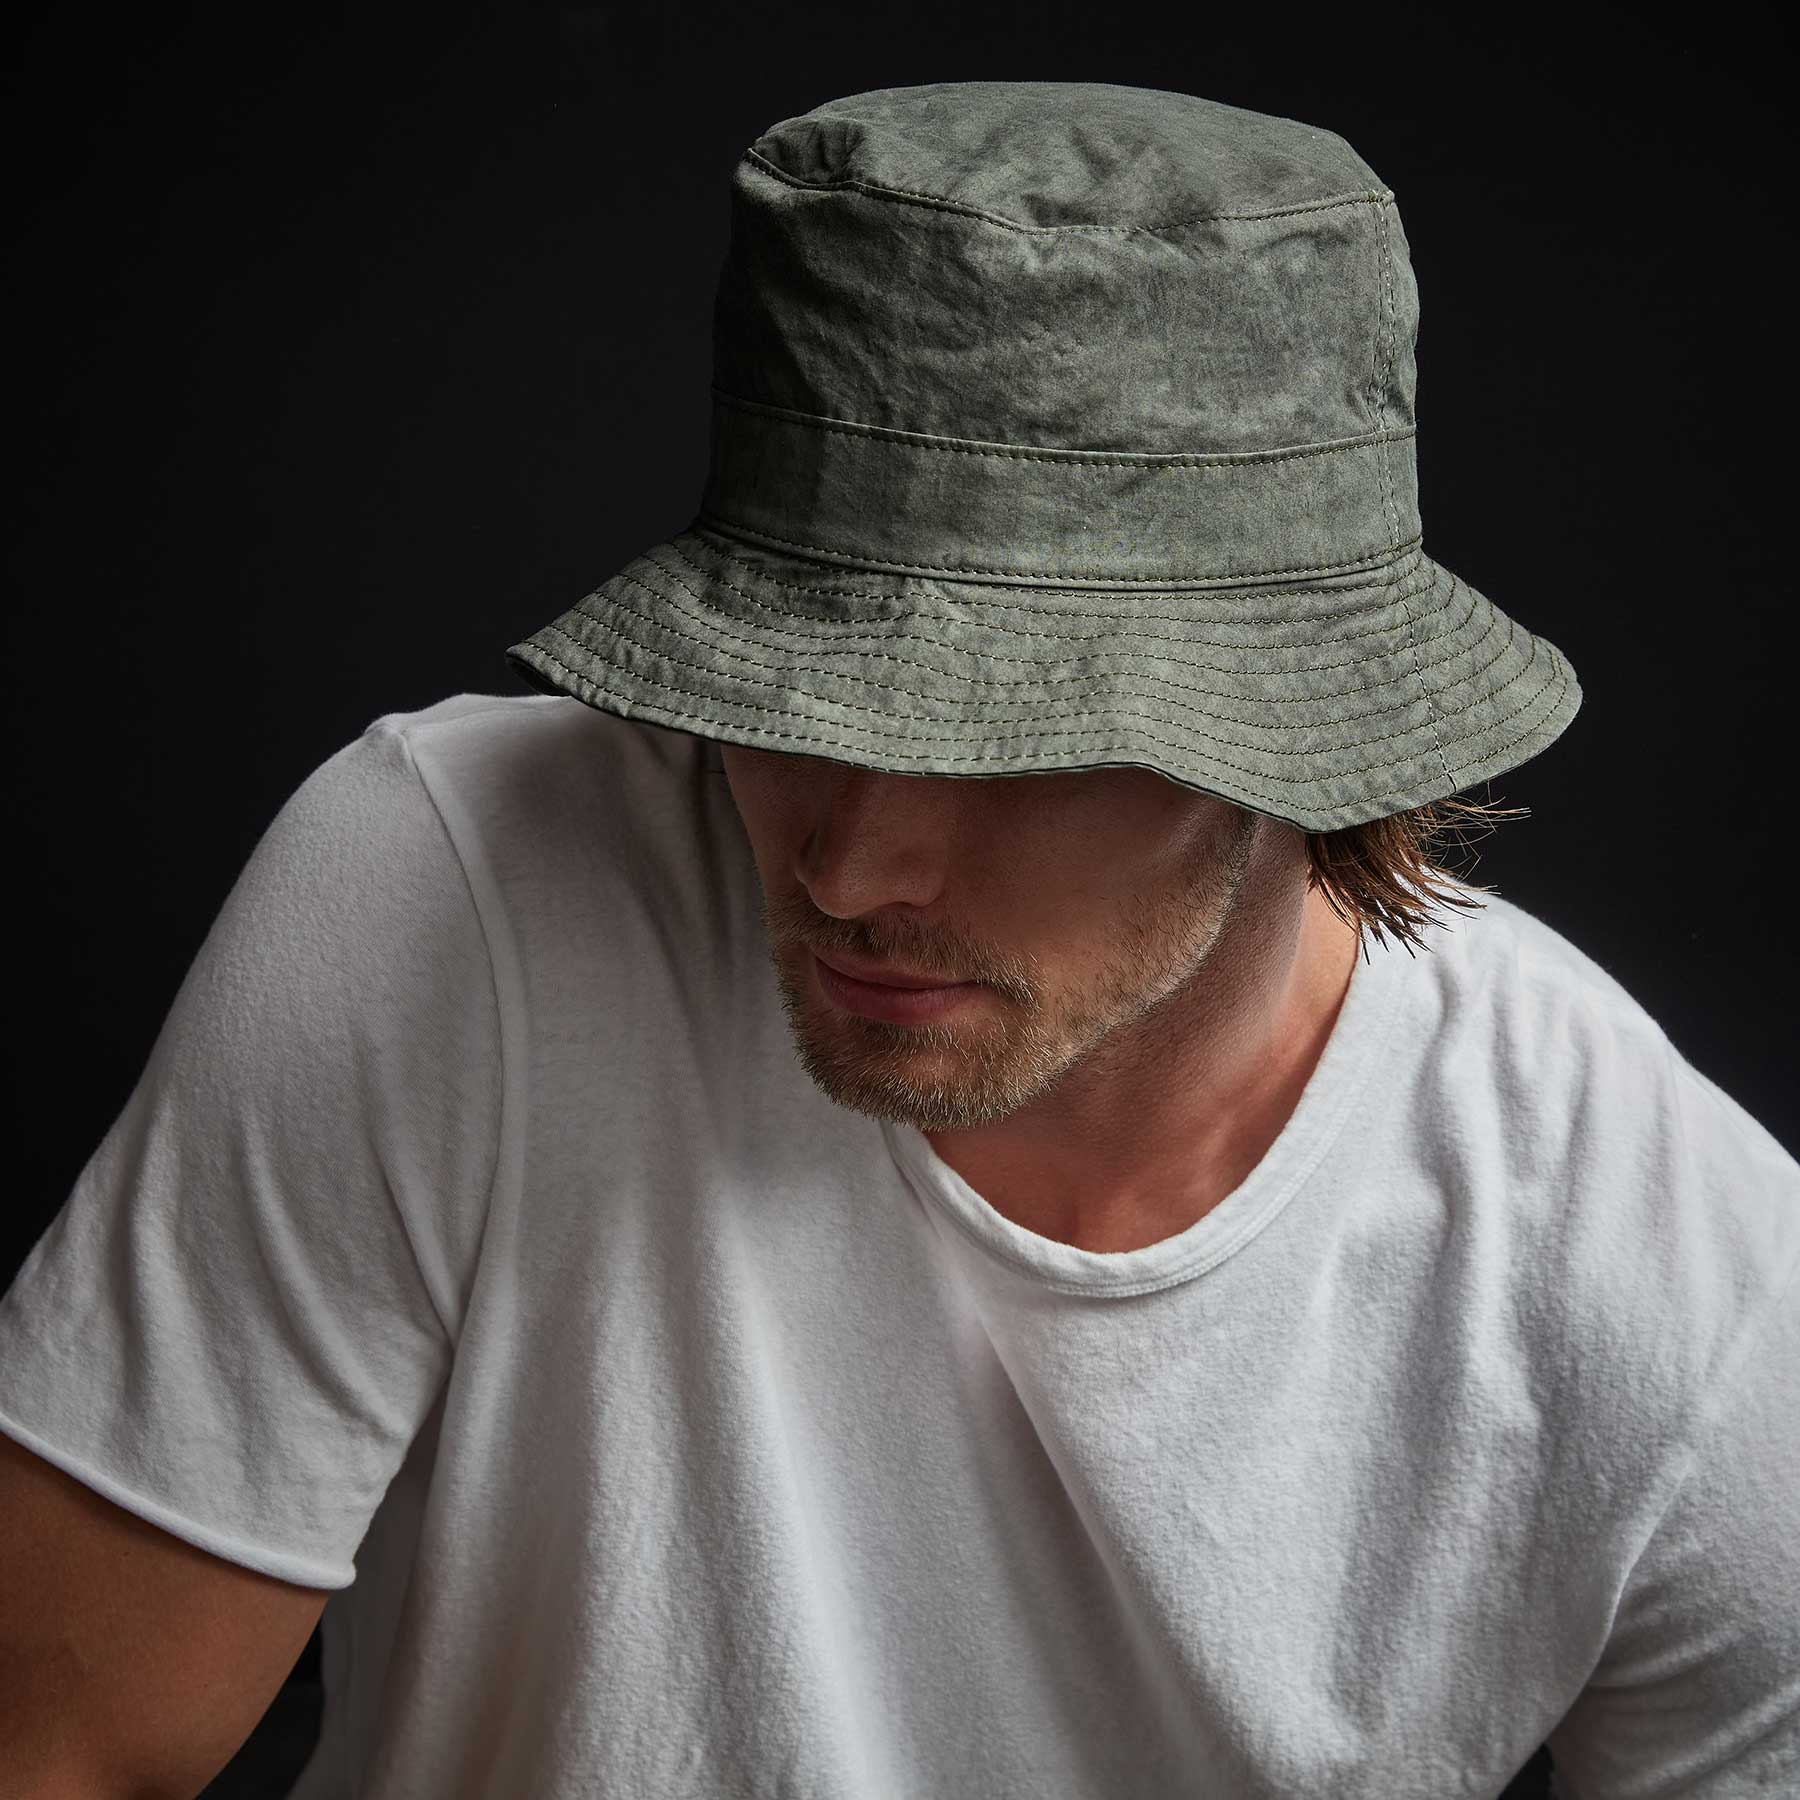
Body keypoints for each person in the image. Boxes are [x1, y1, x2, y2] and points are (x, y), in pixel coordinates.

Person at [2, 81, 1796, 1800]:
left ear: (1303, 747)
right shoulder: (457, 888)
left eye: (1017, 751)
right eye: (784, 702)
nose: (852, 866)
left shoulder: (1661, 1266)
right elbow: (57, 1752)